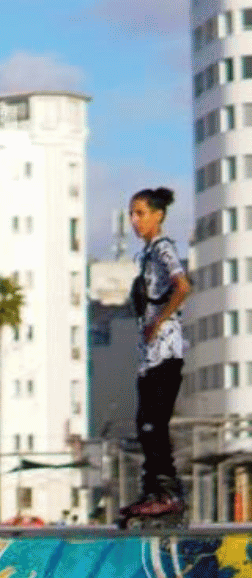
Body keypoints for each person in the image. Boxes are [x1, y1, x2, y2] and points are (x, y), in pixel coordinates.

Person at [120, 187, 193, 526]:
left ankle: (167, 493)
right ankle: (153, 490)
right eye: (132, 214)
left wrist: (160, 320)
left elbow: (183, 286)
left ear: (158, 215)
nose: (135, 221)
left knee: (153, 424)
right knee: (146, 424)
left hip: (166, 352)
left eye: (141, 213)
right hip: (150, 355)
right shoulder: (148, 253)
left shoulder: (163, 248)